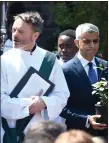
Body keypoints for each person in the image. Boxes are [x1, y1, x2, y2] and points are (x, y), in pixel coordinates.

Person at [1, 12, 70, 143]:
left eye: (21, 31)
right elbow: (1, 100)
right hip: (10, 132)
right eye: (14, 30)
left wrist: (44, 102)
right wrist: (30, 105)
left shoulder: (49, 60)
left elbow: (62, 94)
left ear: (35, 35)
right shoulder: (3, 61)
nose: (15, 35)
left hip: (40, 135)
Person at [60, 23, 108, 136]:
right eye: (87, 41)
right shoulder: (66, 70)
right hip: (79, 133)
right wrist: (86, 119)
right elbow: (61, 107)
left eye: (95, 41)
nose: (92, 45)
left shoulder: (106, 66)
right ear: (77, 43)